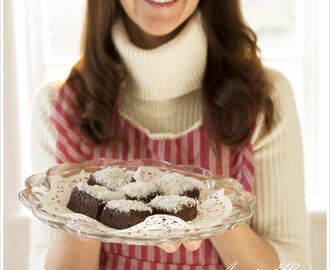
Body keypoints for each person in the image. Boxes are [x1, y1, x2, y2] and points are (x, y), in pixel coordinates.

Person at [29, 0, 310, 269]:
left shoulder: (265, 98)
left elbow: (293, 266)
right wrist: (82, 205)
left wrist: (214, 212)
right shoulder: (61, 106)